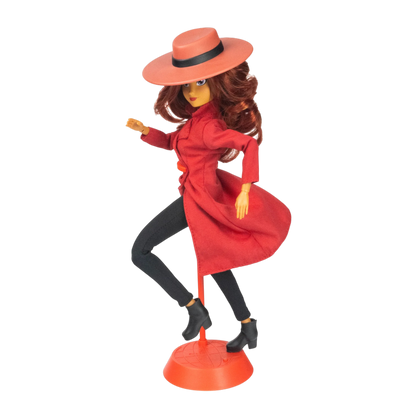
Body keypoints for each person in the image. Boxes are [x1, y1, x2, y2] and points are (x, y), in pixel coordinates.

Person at [124, 26, 293, 353]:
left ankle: (195, 310)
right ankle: (248, 325)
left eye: (200, 82)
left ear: (218, 82)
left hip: (199, 198)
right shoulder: (196, 121)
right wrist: (146, 131)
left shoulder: (210, 127)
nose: (191, 91)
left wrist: (247, 188)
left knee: (140, 251)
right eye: (187, 83)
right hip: (197, 196)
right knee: (214, 261)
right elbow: (172, 142)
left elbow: (249, 145)